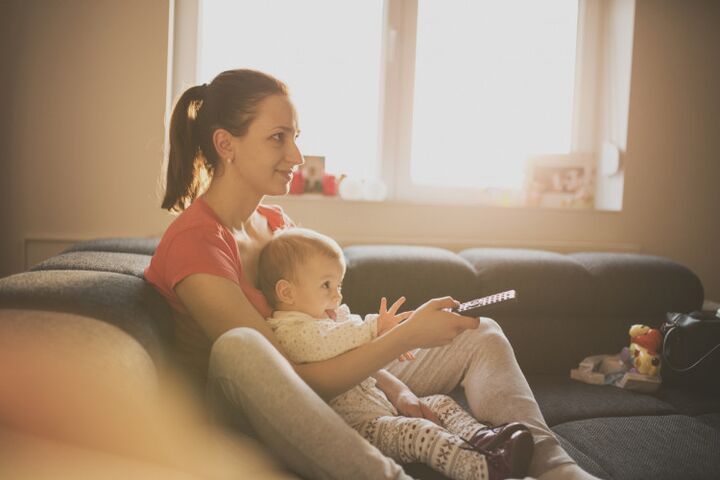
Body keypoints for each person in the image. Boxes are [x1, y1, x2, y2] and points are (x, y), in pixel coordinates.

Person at [144, 68, 598, 480]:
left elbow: (329, 331)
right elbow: (293, 377)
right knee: (239, 348)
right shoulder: (196, 243)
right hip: (258, 406)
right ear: (226, 145)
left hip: (330, 380)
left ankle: (556, 468)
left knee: (479, 331)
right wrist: (402, 339)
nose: (297, 155)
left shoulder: (276, 224)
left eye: (296, 136)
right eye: (278, 138)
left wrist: (400, 361)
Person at [257, 227, 535, 480]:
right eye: (326, 285)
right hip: (359, 426)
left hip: (380, 405)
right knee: (421, 435)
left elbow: (350, 332)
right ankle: (483, 468)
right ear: (286, 292)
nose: (337, 296)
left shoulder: (325, 315)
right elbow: (326, 342)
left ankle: (482, 438)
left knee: (438, 402)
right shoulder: (291, 330)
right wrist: (376, 328)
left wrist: (389, 333)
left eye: (339, 285)